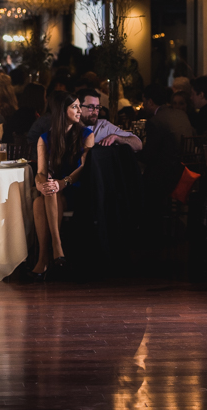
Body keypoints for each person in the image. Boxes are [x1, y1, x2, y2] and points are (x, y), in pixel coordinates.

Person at [29, 92, 94, 279]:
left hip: (77, 188)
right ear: (61, 111)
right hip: (55, 192)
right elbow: (40, 172)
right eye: (74, 107)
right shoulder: (45, 138)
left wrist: (63, 182)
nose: (80, 110)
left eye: (79, 106)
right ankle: (56, 251)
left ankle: (46, 257)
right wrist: (42, 185)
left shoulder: (86, 134)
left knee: (44, 197)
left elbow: (84, 168)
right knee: (43, 195)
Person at [77, 88, 142, 151]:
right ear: (78, 107)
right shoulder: (69, 126)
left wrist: (116, 138)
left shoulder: (103, 126)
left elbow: (138, 145)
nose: (95, 112)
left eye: (97, 107)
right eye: (90, 107)